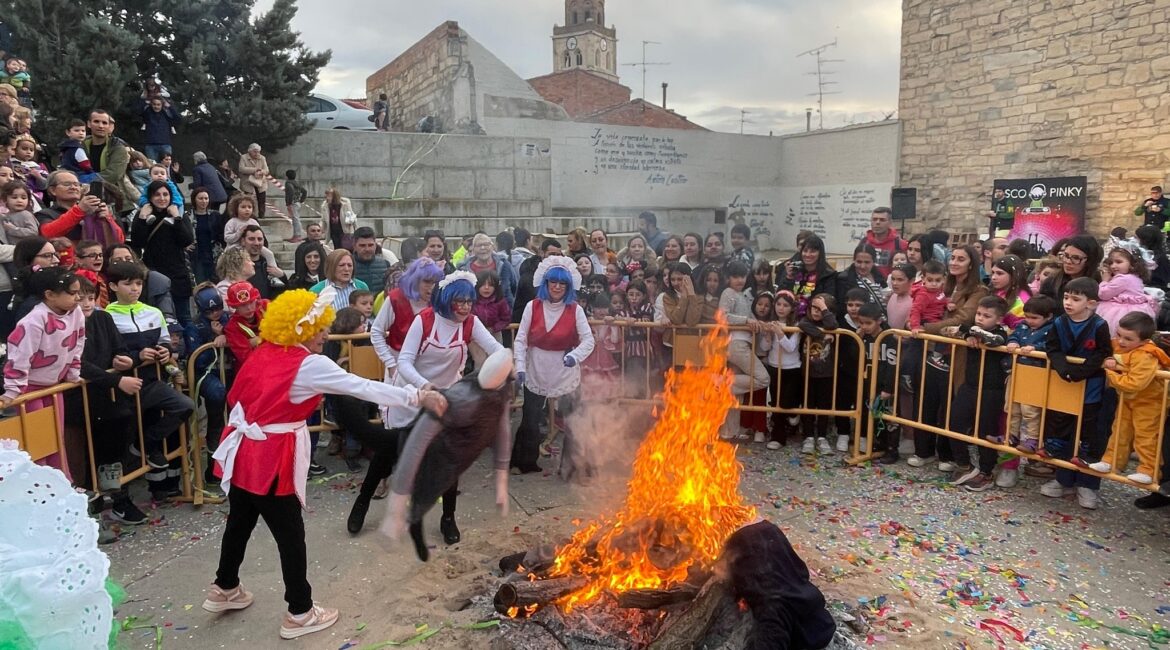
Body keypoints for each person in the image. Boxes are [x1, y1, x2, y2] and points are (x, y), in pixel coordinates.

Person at [204, 287, 447, 640]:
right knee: (290, 534)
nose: (326, 334)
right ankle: (300, 611)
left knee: (240, 521)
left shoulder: (263, 351)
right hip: (269, 456)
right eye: (320, 328)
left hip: (241, 452)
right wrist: (416, 395)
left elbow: (236, 399)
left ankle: (225, 587)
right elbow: (360, 386)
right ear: (301, 329)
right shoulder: (308, 363)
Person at [349, 271, 503, 538]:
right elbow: (405, 362)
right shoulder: (424, 321)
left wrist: (504, 367)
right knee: (388, 453)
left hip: (446, 398)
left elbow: (496, 350)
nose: (466, 307)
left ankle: (448, 518)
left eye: (469, 302)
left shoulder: (471, 323)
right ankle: (362, 501)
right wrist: (424, 387)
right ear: (447, 299)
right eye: (460, 302)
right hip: (411, 392)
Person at [381, 349, 513, 560]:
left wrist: (501, 484)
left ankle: (431, 528)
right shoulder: (461, 400)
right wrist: (394, 511)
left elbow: (502, 429)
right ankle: (389, 516)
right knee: (394, 468)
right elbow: (416, 446)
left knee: (438, 491)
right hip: (424, 430)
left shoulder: (501, 389)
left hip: (453, 451)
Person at [103, 260, 195, 471]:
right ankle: (121, 483)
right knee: (122, 431)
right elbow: (110, 355)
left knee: (185, 406)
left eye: (138, 283)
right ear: (114, 286)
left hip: (153, 382)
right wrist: (138, 356)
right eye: (128, 284)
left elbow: (164, 341)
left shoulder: (154, 312)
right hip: (123, 388)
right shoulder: (106, 315)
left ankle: (146, 444)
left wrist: (164, 351)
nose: (134, 288)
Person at [512, 256, 595, 475]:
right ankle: (523, 462)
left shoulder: (575, 309)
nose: (557, 287)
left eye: (562, 283)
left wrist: (574, 356)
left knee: (573, 419)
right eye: (553, 282)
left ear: (568, 286)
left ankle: (572, 466)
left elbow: (589, 340)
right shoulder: (532, 306)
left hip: (564, 368)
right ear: (546, 283)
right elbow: (520, 339)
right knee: (530, 419)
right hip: (536, 366)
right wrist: (520, 366)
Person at [1, 267, 85, 476]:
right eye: (72, 293)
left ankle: (62, 481)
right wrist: (12, 391)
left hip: (54, 386)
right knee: (39, 441)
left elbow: (78, 342)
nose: (78, 298)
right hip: (30, 388)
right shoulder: (33, 321)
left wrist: (73, 372)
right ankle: (43, 486)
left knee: (56, 437)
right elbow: (20, 356)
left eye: (78, 293)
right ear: (50, 295)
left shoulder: (76, 313)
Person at [1037, 277, 1112, 510]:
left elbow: (1103, 353)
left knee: (1089, 437)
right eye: (1066, 297)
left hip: (1091, 388)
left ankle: (1087, 484)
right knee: (1062, 431)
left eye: (1075, 299)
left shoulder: (1099, 326)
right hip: (1065, 384)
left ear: (1090, 303)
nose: (1068, 302)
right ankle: (1063, 479)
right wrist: (1063, 369)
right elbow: (1053, 348)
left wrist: (1080, 372)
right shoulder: (1060, 322)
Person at [940, 296, 1012, 492]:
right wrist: (967, 335)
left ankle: (986, 472)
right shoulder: (972, 329)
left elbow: (994, 341)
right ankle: (964, 464)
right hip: (970, 385)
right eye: (978, 314)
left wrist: (971, 332)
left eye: (986, 316)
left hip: (991, 390)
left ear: (998, 319)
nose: (980, 318)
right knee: (954, 421)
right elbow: (953, 328)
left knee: (985, 431)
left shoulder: (1001, 334)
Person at [1090, 313, 1169, 484]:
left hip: (1150, 401)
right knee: (1119, 431)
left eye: (1128, 338)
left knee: (1146, 436)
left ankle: (1149, 470)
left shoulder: (1147, 354)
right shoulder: (1121, 346)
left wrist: (1110, 373)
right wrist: (1109, 358)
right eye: (1119, 335)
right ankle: (1111, 461)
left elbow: (1134, 383)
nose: (1121, 341)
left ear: (1143, 340)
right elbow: (1107, 351)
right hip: (1127, 398)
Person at [131, 180, 194, 325]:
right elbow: (137, 241)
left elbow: (187, 240)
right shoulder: (144, 215)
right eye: (157, 194)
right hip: (154, 272)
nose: (162, 198)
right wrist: (142, 218)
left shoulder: (178, 213)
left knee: (183, 317)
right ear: (150, 197)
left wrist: (177, 218)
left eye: (166, 194)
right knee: (156, 317)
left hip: (177, 273)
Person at [369, 258, 444, 380]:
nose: (432, 287)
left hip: (430, 371)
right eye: (427, 282)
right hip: (398, 369)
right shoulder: (395, 299)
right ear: (415, 281)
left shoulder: (439, 302)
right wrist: (390, 364)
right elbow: (376, 332)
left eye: (435, 282)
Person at [1004, 296, 1057, 455]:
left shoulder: (1052, 328)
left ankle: (1032, 439)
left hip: (1036, 373)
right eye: (1027, 316)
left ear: (1048, 316)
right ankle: (1012, 434)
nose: (1030, 321)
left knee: (1030, 409)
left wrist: (1036, 348)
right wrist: (1012, 342)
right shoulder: (1023, 326)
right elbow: (1014, 336)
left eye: (1035, 318)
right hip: (1018, 369)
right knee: (1012, 405)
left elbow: (1052, 345)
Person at [797, 294, 838, 455]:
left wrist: (824, 309)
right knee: (807, 405)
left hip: (826, 374)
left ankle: (821, 436)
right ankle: (808, 436)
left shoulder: (829, 322)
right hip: (808, 373)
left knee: (823, 406)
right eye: (814, 307)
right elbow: (802, 324)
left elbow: (833, 324)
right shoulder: (806, 321)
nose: (816, 312)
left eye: (820, 309)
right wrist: (822, 336)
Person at [1097, 242, 1157, 336]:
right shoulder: (1135, 277)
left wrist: (1105, 281)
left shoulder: (1123, 279)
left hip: (1119, 313)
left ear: (1132, 264)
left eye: (1118, 262)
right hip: (1138, 311)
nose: (1113, 266)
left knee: (1112, 334)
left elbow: (1103, 294)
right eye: (1111, 263)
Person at [778, 234, 838, 318]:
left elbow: (829, 302)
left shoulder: (828, 275)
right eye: (805, 250)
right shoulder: (794, 270)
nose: (808, 254)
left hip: (814, 320)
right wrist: (789, 277)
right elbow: (781, 296)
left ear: (820, 253)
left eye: (813, 251)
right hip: (791, 318)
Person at [83, 109, 129, 210]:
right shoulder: (80, 146)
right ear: (89, 124)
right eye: (96, 121)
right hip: (83, 198)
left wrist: (84, 180)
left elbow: (113, 174)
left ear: (109, 126)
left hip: (113, 198)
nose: (101, 126)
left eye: (104, 123)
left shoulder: (118, 148)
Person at [456, 232, 517, 308]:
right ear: (473, 249)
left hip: (503, 314)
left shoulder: (504, 265)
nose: (483, 248)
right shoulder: (463, 269)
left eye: (486, 244)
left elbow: (514, 286)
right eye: (479, 245)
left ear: (492, 247)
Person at [836, 243, 885, 318]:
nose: (862, 266)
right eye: (859, 262)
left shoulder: (880, 278)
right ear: (854, 260)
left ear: (873, 262)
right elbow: (842, 308)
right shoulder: (844, 280)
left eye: (867, 262)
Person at [225, 282, 267, 368]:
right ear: (234, 307)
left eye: (251, 302)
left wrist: (260, 339)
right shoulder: (232, 327)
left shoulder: (266, 306)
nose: (249, 308)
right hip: (255, 368)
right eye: (243, 305)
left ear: (256, 300)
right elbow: (247, 358)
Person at [190, 187, 225, 283]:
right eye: (200, 198)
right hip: (197, 254)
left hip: (213, 253)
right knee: (200, 281)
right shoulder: (189, 216)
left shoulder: (215, 215)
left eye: (206, 198)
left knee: (217, 280)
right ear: (194, 199)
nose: (204, 201)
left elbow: (221, 234)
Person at [862, 207, 905, 276]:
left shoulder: (901, 244)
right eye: (874, 219)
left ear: (890, 223)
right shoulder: (864, 242)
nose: (877, 222)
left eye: (882, 220)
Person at [351, 227, 391, 294]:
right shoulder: (347, 266)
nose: (367, 249)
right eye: (362, 245)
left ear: (375, 245)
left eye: (370, 245)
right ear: (354, 246)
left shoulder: (385, 264)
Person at [140, 97, 180, 163]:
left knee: (166, 166)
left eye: (158, 104)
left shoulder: (166, 115)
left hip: (165, 144)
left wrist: (170, 107)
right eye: (154, 104)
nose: (156, 106)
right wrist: (144, 102)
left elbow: (177, 118)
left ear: (162, 105)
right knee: (152, 166)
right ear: (151, 104)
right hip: (150, 145)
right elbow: (138, 112)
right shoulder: (148, 113)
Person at [238, 143, 269, 218]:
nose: (257, 153)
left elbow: (266, 170)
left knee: (262, 199)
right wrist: (254, 170)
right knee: (248, 199)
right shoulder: (243, 157)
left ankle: (262, 214)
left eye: (258, 151)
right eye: (255, 151)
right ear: (250, 151)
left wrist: (261, 172)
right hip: (248, 182)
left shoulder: (262, 158)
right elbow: (241, 169)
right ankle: (249, 214)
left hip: (260, 181)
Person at [1, 180, 37, 244]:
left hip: (25, 249)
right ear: (5, 199)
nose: (19, 200)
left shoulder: (26, 215)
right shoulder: (5, 215)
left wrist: (14, 229)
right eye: (14, 197)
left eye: (23, 198)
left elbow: (33, 232)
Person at [283, 169, 307, 243]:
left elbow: (290, 192)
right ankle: (296, 235)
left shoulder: (288, 184)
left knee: (295, 220)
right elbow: (304, 191)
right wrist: (301, 200)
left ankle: (297, 235)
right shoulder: (296, 183)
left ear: (286, 176)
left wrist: (288, 203)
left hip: (293, 203)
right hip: (297, 202)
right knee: (296, 219)